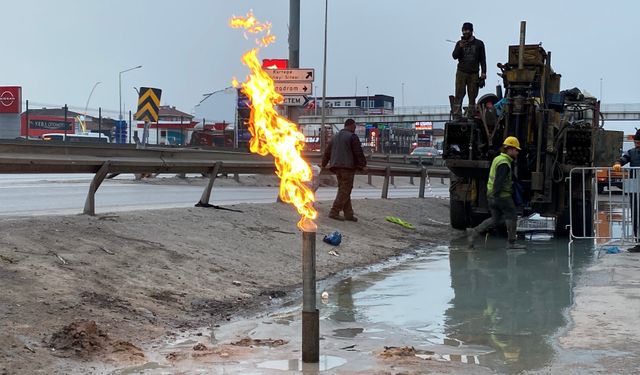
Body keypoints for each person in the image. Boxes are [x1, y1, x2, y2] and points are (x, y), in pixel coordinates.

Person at [466, 136, 526, 249]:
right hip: (502, 195)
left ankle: (474, 232)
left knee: (495, 219)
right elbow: (499, 181)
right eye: (516, 150)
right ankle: (512, 243)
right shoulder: (504, 163)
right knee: (512, 216)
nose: (517, 152)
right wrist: (497, 195)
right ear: (510, 149)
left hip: (491, 195)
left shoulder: (498, 159)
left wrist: (493, 196)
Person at [321, 119, 367, 221]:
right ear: (350, 126)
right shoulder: (352, 137)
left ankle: (348, 214)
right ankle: (334, 211)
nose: (355, 129)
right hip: (347, 167)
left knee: (344, 189)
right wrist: (363, 164)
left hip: (336, 167)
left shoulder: (335, 137)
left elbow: (327, 152)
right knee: (345, 190)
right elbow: (358, 152)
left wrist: (323, 164)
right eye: (354, 127)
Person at [452, 22, 487, 118]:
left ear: (471, 31)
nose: (465, 33)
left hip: (474, 73)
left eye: (467, 30)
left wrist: (483, 73)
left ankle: (471, 115)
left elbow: (483, 59)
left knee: (472, 95)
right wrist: (460, 47)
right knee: (459, 93)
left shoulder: (479, 44)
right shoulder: (459, 43)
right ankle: (457, 115)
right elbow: (454, 56)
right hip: (461, 72)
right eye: (463, 31)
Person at [613, 129, 640, 252]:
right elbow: (623, 159)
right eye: (636, 142)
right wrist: (618, 163)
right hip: (635, 187)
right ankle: (638, 241)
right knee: (636, 215)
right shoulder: (632, 152)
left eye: (638, 143)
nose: (637, 145)